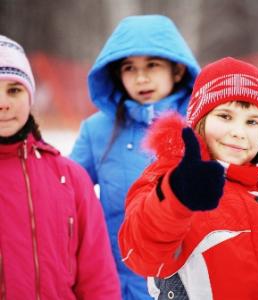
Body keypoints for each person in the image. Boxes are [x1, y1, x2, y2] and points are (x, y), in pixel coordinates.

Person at [118, 57, 258, 299]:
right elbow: (140, 252)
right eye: (225, 116)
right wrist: (177, 196)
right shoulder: (171, 183)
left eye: (252, 121)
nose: (238, 132)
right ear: (199, 121)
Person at [70, 14, 200, 299]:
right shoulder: (96, 131)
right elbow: (67, 194)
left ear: (176, 70)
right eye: (130, 68)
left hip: (185, 284)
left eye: (152, 65)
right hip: (117, 284)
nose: (141, 77)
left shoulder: (199, 126)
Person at [0, 35, 121, 299]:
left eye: (14, 90)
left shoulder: (69, 178)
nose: (3, 103)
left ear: (30, 96)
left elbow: (97, 276)